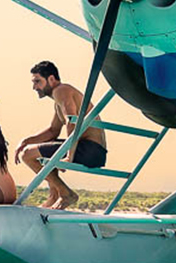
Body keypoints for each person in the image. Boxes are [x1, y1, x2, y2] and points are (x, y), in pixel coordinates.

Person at [14, 60, 107, 210]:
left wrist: (69, 155)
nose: (34, 87)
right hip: (92, 150)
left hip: (90, 150)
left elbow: (72, 122)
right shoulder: (59, 98)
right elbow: (53, 131)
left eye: (38, 81)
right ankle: (54, 195)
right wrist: (26, 141)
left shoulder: (61, 91)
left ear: (51, 79)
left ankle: (65, 194)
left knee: (27, 155)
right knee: (39, 148)